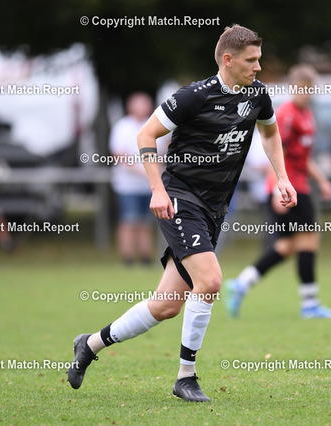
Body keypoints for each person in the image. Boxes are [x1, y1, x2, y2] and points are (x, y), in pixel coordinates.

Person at [67, 24, 297, 402]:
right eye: (252, 60)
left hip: (214, 209)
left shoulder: (257, 95)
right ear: (228, 60)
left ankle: (89, 344)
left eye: (259, 59)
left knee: (167, 305)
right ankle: (185, 377)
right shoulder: (193, 96)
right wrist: (158, 189)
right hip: (180, 199)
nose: (258, 67)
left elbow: (269, 133)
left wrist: (282, 177)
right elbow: (146, 135)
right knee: (211, 281)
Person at [225, 64, 331, 319]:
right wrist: (278, 189)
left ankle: (241, 284)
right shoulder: (287, 115)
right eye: (300, 89)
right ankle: (310, 305)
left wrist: (322, 180)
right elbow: (275, 154)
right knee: (309, 240)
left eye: (308, 89)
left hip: (298, 186)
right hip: (289, 188)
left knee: (286, 246)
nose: (305, 94)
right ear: (292, 88)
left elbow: (302, 157)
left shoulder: (307, 114)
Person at [110, 92, 155, 266]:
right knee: (129, 221)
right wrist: (142, 171)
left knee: (145, 223)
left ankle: (145, 258)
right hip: (128, 185)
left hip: (149, 186)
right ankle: (127, 258)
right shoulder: (122, 127)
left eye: (146, 103)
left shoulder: (152, 124)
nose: (144, 107)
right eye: (140, 104)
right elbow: (119, 154)